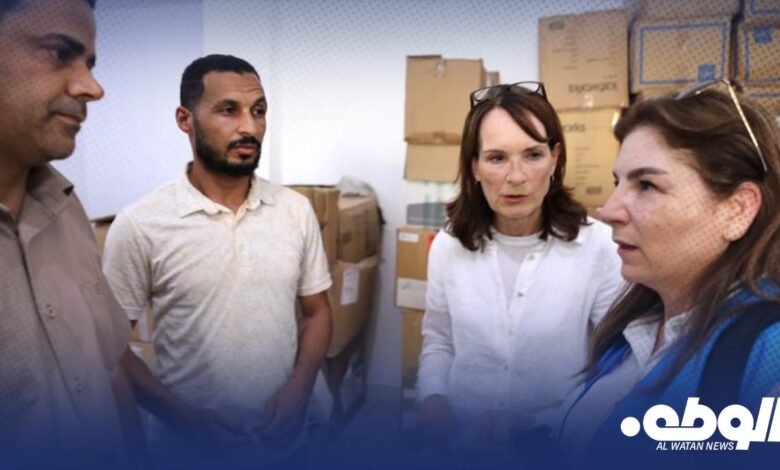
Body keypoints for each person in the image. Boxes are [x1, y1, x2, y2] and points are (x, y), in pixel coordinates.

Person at [102, 54, 333, 467]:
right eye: (229, 110)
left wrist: (300, 390)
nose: (250, 127)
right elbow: (109, 346)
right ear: (185, 119)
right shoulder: (141, 224)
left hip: (284, 446)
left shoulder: (295, 210)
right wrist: (184, 419)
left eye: (258, 111)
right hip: (187, 451)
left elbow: (318, 313)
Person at [537, 81, 780, 468]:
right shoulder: (637, 327)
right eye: (618, 183)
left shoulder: (768, 349)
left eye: (647, 185)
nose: (608, 211)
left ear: (738, 209)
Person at [416, 82, 623, 460]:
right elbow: (439, 341)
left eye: (533, 155)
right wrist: (435, 410)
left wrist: (540, 420)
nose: (516, 177)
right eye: (497, 158)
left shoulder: (598, 247)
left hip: (553, 443)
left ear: (555, 159)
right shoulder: (448, 246)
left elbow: (616, 364)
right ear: (474, 167)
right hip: (464, 444)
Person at [0, 0, 143, 467]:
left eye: (90, 64)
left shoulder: (66, 209)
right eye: (59, 52)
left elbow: (109, 366)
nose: (92, 87)